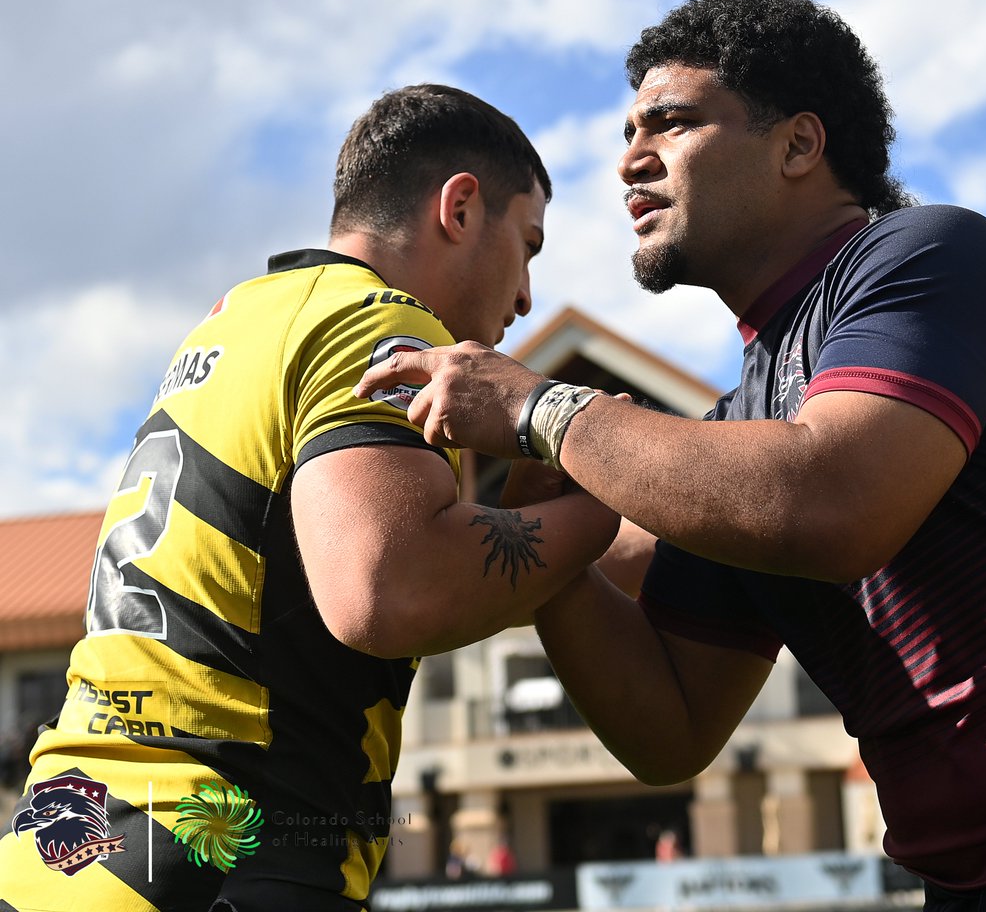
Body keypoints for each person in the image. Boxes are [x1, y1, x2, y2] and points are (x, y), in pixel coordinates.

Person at [356, 0, 986, 910]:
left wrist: (541, 408)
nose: (630, 160)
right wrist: (541, 531)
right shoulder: (735, 435)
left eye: (670, 123)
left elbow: (834, 502)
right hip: (970, 879)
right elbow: (671, 726)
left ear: (801, 145)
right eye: (628, 131)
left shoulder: (930, 257)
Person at [0, 85, 619, 912]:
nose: (525, 297)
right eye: (529, 246)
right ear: (462, 208)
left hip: (57, 848)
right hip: (218, 859)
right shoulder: (378, 323)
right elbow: (387, 588)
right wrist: (602, 500)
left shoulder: (236, 321)